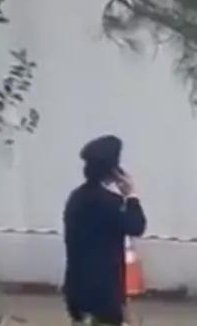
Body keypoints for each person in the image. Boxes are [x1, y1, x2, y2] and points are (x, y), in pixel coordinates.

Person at [63, 134, 147, 326]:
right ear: (114, 171)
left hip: (76, 290)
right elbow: (137, 226)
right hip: (105, 294)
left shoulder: (75, 199)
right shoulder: (111, 204)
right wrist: (131, 196)